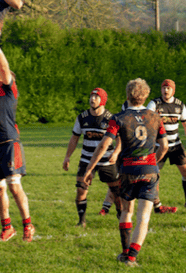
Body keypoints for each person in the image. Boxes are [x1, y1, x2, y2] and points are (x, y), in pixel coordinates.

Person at [83, 78, 168, 267]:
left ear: (127, 95)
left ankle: (124, 252)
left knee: (127, 211)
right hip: (149, 170)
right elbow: (165, 146)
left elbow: (105, 144)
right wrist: (154, 161)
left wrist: (90, 168)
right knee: (144, 216)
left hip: (128, 170)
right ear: (146, 95)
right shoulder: (156, 117)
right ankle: (132, 257)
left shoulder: (118, 118)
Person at [0, 42, 35, 242]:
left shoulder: (8, 90)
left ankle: (27, 225)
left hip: (9, 143)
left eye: (0, 75)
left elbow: (4, 69)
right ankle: (7, 227)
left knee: (14, 186)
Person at [63, 88, 121, 228]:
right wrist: (67, 157)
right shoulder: (82, 117)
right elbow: (74, 138)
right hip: (86, 159)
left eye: (96, 97)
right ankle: (81, 221)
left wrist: (116, 153)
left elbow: (120, 139)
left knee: (116, 191)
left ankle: (121, 215)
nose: (92, 99)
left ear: (103, 100)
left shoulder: (111, 119)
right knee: (81, 190)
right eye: (91, 96)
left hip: (107, 160)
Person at [146, 79, 186, 211]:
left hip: (176, 145)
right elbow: (147, 122)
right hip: (158, 145)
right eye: (163, 88)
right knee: (154, 174)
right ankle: (157, 205)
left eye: (168, 88)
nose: (165, 90)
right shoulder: (154, 104)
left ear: (173, 90)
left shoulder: (179, 105)